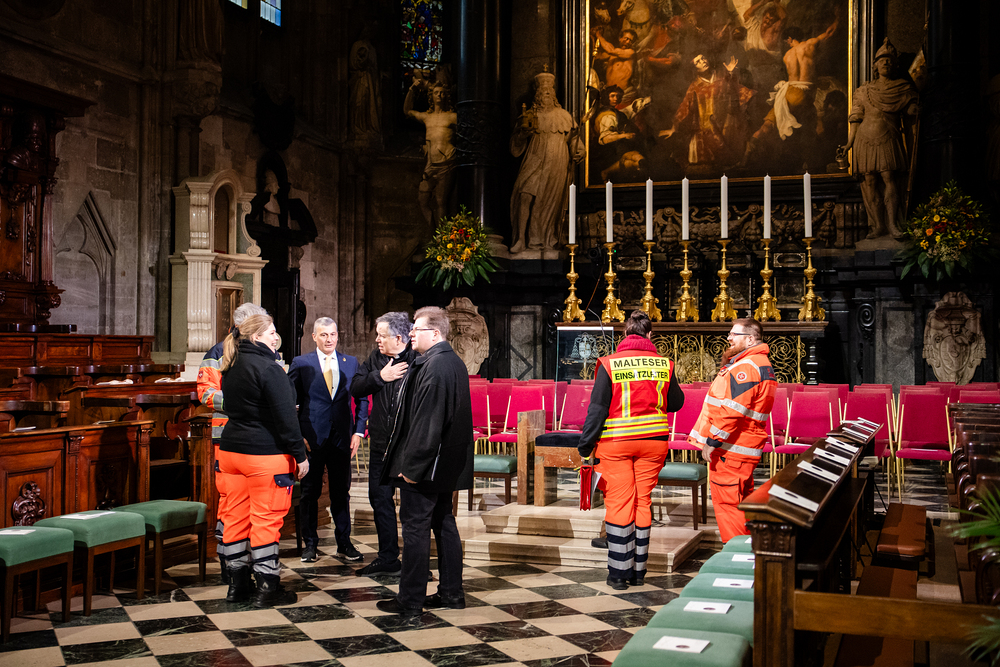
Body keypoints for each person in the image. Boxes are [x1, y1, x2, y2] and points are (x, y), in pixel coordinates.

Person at [376, 307, 473, 615]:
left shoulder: (436, 366)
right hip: (443, 464)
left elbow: (428, 423)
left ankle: (410, 599)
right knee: (443, 523)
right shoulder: (449, 361)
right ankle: (451, 594)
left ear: (435, 333)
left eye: (416, 329)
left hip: (426, 467)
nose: (411, 334)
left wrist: (412, 468)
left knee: (415, 528)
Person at [577, 310, 684, 590]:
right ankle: (638, 574)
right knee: (642, 502)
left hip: (617, 443)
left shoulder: (609, 363)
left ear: (625, 334)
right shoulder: (664, 364)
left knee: (619, 503)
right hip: (654, 443)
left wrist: (586, 444)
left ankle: (618, 574)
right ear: (650, 335)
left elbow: (597, 408)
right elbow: (676, 403)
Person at [217, 313, 309, 608]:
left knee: (234, 518)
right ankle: (267, 588)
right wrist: (300, 455)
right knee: (266, 520)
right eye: (271, 332)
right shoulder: (269, 368)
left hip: (230, 453)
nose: (275, 337)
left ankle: (237, 586)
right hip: (264, 455)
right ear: (256, 337)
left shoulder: (230, 365)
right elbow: (286, 419)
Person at [197, 302, 268, 584]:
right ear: (242, 326)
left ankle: (250, 560)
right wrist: (242, 403)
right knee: (231, 500)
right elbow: (205, 393)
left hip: (259, 437)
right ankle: (229, 563)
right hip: (227, 436)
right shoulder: (218, 352)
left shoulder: (263, 351)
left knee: (256, 503)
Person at [688, 317, 777, 543]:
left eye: (734, 334)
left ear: (750, 339)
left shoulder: (747, 367)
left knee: (729, 508)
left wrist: (713, 441)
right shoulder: (759, 363)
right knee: (742, 504)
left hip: (732, 450)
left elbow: (732, 411)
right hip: (743, 448)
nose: (729, 338)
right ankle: (748, 553)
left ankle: (735, 555)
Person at [288, 318, 369, 564]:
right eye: (324, 335)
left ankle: (344, 543)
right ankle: (310, 545)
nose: (329, 339)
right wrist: (298, 436)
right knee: (310, 493)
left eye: (333, 334)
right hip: (311, 438)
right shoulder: (301, 363)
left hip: (342, 438)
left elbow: (362, 399)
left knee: (341, 493)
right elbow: (289, 402)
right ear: (314, 337)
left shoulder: (351, 362)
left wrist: (358, 432)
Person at [349, 312, 417, 576]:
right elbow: (356, 386)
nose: (377, 340)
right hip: (380, 444)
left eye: (382, 335)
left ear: (399, 338)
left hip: (407, 446)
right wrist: (380, 377)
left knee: (412, 507)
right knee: (379, 499)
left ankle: (414, 563)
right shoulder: (376, 359)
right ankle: (388, 557)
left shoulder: (417, 359)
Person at [838, 38, 919, 239]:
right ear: (875, 65)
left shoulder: (902, 88)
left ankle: (892, 224)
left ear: (895, 65)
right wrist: (849, 144)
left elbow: (910, 109)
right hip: (864, 140)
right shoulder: (864, 90)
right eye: (882, 60)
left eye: (889, 60)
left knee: (889, 178)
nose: (886, 63)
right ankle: (878, 225)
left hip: (888, 137)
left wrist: (914, 109)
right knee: (870, 181)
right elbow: (855, 118)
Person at [509, 71, 583, 253]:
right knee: (525, 194)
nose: (547, 94)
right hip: (535, 158)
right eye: (543, 91)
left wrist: (580, 151)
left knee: (549, 202)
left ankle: (544, 238)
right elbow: (515, 145)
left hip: (556, 162)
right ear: (537, 95)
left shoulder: (564, 116)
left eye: (550, 91)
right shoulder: (528, 115)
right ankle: (520, 239)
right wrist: (522, 135)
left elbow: (575, 141)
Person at [659, 54, 754, 170]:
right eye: (698, 61)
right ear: (694, 69)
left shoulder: (722, 78)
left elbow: (735, 93)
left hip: (726, 124)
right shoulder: (695, 86)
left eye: (703, 58)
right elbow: (685, 106)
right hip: (707, 126)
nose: (703, 61)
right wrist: (674, 127)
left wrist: (730, 73)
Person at [404, 78, 457, 226]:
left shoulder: (452, 117)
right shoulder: (427, 117)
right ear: (431, 96)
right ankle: (432, 230)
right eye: (436, 92)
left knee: (440, 201)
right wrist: (412, 89)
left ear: (446, 96)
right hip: (430, 165)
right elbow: (407, 111)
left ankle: (441, 236)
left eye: (442, 93)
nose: (439, 95)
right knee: (422, 200)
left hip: (446, 163)